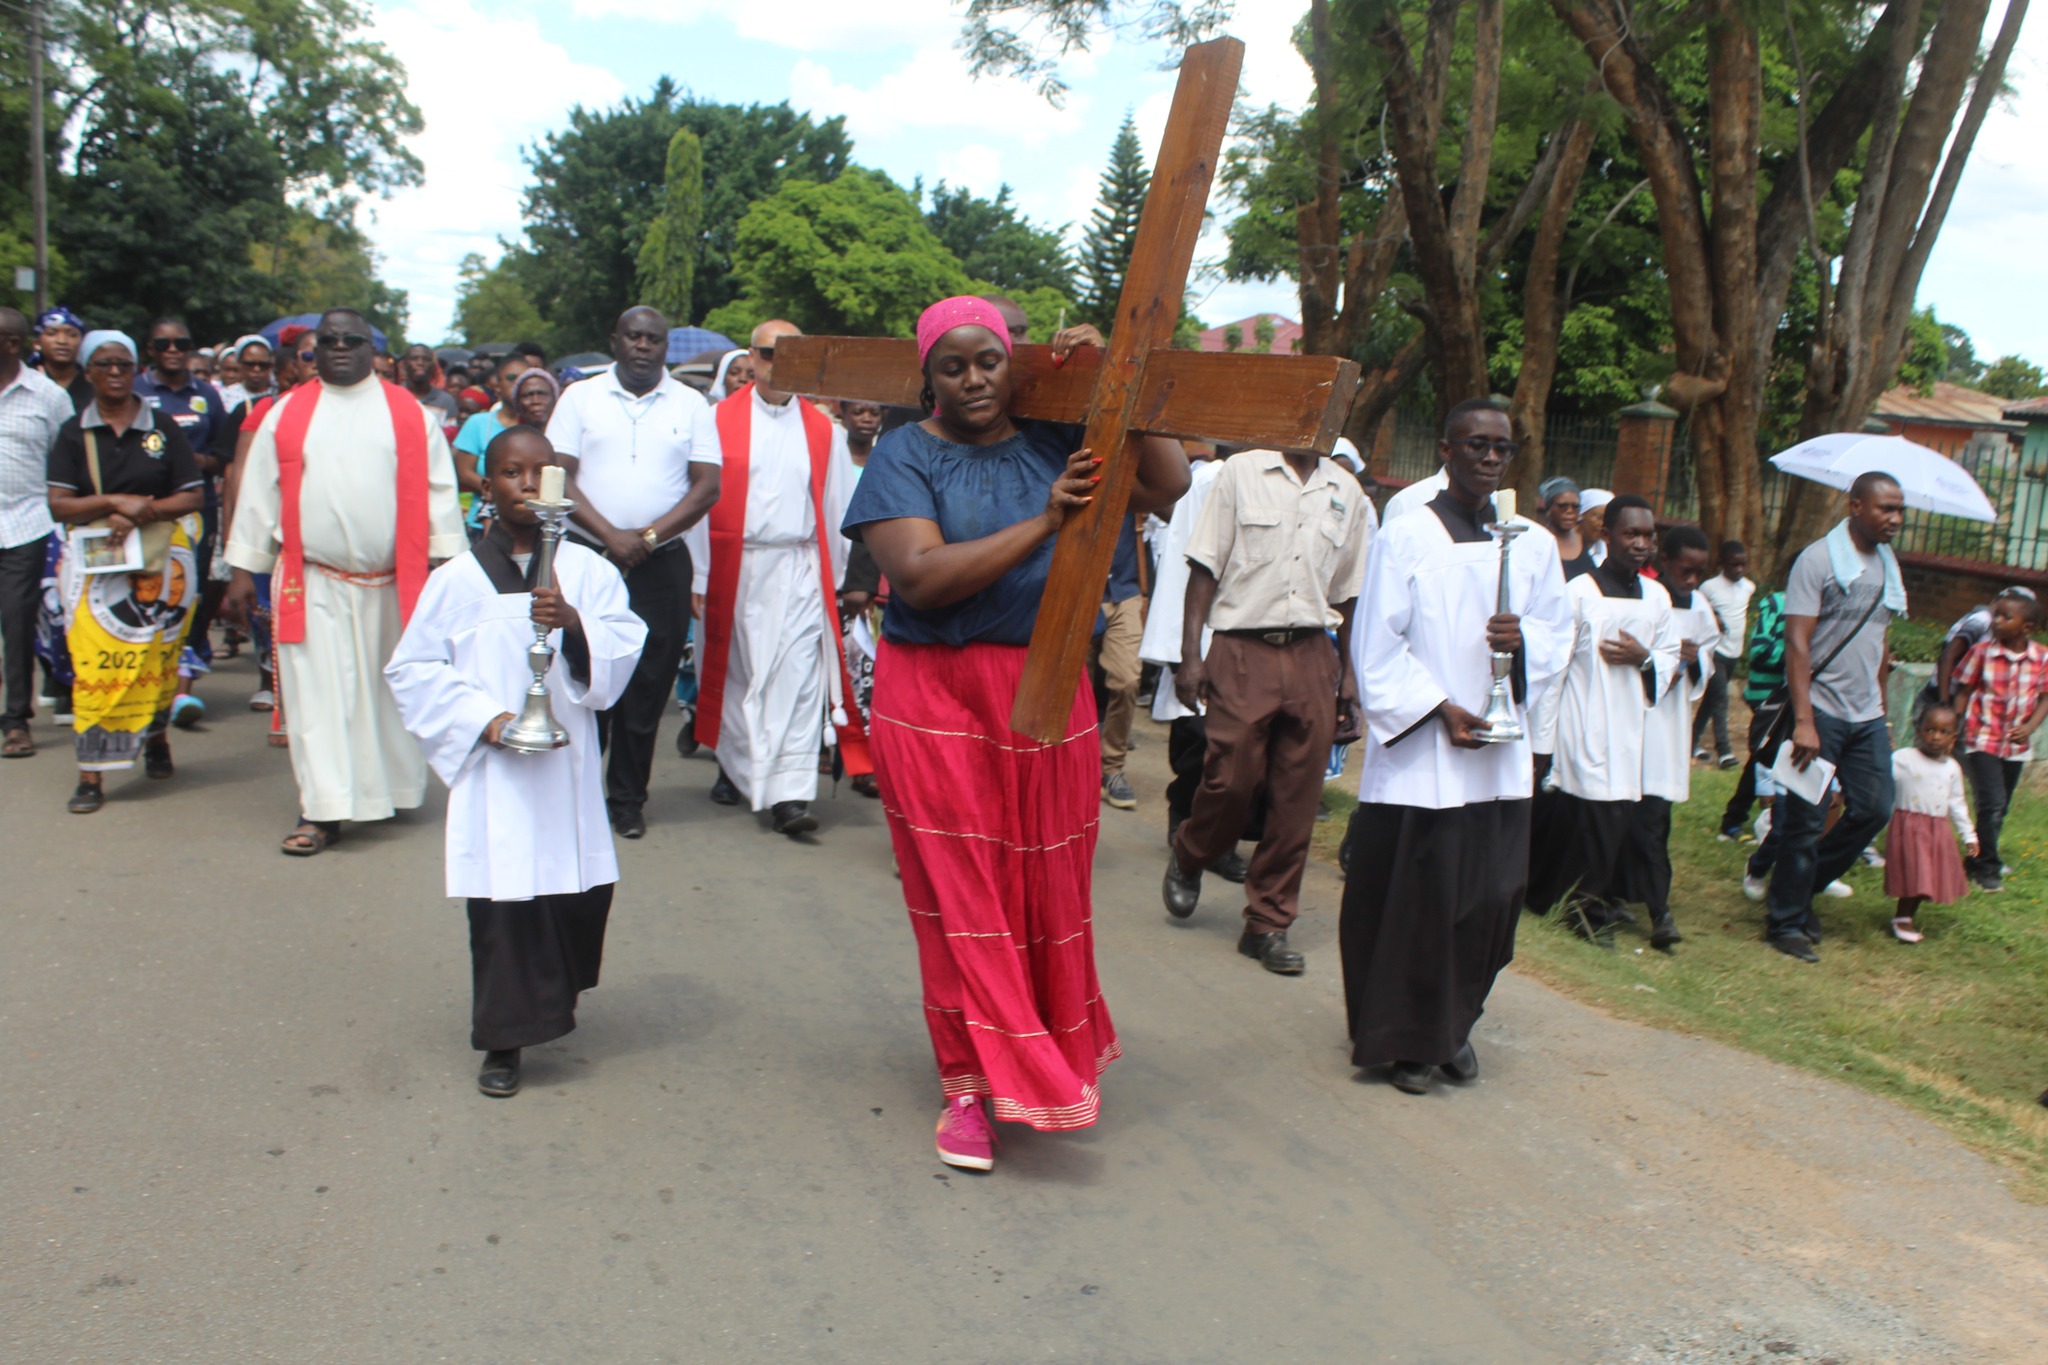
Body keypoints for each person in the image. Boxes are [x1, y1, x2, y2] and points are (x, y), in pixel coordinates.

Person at [843, 295, 1190, 1170]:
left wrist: (1116, 372)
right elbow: (919, 578)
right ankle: (968, 1087)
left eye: (987, 361)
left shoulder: (1048, 438)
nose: (971, 380)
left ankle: (1050, 1057)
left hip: (1045, 688)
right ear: (927, 375)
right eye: (952, 366)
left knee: (1046, 886)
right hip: (934, 700)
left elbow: (1167, 484)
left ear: (1012, 363)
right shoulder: (902, 454)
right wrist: (1045, 516)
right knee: (963, 898)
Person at [385, 427, 648, 1098]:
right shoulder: (458, 580)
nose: (528, 484)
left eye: (542, 472)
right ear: (487, 484)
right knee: (503, 901)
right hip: (496, 770)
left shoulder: (587, 571)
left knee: (574, 892)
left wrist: (578, 626)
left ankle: (554, 995)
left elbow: (623, 644)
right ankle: (503, 1037)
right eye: (511, 471)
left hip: (566, 767)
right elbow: (412, 668)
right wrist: (486, 720)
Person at [1341, 399, 1572, 1093]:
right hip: (1425, 757)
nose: (1490, 458)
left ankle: (1454, 1025)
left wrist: (1522, 642)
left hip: (1499, 756)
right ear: (1447, 449)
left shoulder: (1529, 542)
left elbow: (1559, 633)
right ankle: (1408, 1039)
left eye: (1502, 448)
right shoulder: (1407, 534)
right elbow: (1375, 642)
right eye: (1476, 444)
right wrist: (1439, 708)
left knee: (1489, 899)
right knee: (1421, 900)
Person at [224, 307, 466, 854]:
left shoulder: (409, 415)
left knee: (387, 695)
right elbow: (258, 492)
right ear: (310, 352)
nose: (338, 349)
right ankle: (322, 809)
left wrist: (448, 568)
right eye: (326, 342)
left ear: (373, 350)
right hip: (314, 581)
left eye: (350, 340)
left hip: (392, 581)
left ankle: (393, 790)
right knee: (318, 697)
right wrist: (242, 571)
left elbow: (438, 495)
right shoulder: (286, 413)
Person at [1161, 430, 1375, 975]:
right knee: (1232, 779)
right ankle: (1192, 851)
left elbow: (1347, 594)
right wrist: (1191, 656)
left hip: (1312, 653)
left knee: (1296, 798)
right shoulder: (1243, 471)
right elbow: (1204, 567)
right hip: (1241, 648)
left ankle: (1267, 924)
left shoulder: (1348, 492)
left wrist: (1349, 674)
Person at [545, 305, 722, 839]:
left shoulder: (692, 404)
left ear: (665, 348)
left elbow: (707, 487)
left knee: (648, 685)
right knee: (586, 674)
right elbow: (557, 475)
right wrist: (609, 535)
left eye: (653, 340)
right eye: (634, 337)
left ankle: (627, 800)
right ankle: (575, 793)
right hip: (589, 560)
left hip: (661, 563)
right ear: (615, 340)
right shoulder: (580, 398)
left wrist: (645, 538)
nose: (643, 347)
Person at [690, 318, 867, 835]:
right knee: (743, 679)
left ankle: (789, 795)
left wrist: (835, 579)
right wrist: (699, 576)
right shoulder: (716, 420)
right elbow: (699, 505)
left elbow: (837, 509)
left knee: (797, 681)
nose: (778, 366)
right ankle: (742, 771)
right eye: (769, 354)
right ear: (753, 356)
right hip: (735, 568)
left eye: (792, 356)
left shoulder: (825, 431)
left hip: (799, 569)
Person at [1747, 471, 1906, 963]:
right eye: (1886, 509)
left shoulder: (1887, 565)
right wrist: (1804, 720)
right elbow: (1798, 642)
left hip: (1866, 717)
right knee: (1803, 821)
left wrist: (1881, 708)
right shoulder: (1818, 560)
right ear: (1855, 506)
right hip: (1818, 712)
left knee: (1875, 808)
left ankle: (1802, 888)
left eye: (1900, 510)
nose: (1895, 519)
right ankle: (1785, 923)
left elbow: (1881, 643)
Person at [44, 331, 205, 811]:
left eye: (124, 364)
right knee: (95, 665)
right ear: (88, 372)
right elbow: (59, 504)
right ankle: (91, 776)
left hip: (163, 563)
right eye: (104, 364)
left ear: (137, 370)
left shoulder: (164, 428)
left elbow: (193, 495)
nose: (115, 372)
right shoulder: (75, 432)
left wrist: (144, 511)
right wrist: (114, 502)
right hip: (97, 566)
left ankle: (156, 740)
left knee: (156, 662)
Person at [1528, 494, 1680, 945]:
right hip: (1584, 716)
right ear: (1606, 534)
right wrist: (1544, 740)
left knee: (1615, 815)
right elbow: (1554, 668)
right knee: (1592, 815)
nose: (1641, 544)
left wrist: (1645, 657)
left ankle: (1585, 899)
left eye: (1648, 536)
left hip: (1631, 721)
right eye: (1631, 534)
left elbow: (1668, 657)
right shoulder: (1579, 592)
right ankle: (1583, 909)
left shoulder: (1657, 596)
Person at [1137, 446, 1254, 881]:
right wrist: (1180, 652)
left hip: (1249, 633)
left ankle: (1216, 838)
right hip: (1202, 632)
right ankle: (1186, 818)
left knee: (1240, 752)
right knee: (1202, 745)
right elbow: (1183, 564)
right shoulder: (1210, 481)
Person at [1612, 524, 1715, 950]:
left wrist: (1694, 660)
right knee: (1621, 815)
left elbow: (1707, 657)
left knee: (1654, 821)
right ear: (1664, 562)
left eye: (1698, 574)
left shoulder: (1701, 606)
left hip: (1666, 727)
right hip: (1631, 717)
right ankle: (1616, 895)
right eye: (1684, 571)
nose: (1690, 581)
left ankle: (1659, 910)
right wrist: (1653, 658)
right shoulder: (1645, 597)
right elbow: (1624, 650)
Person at [134, 317, 235, 725]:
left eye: (182, 343)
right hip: (146, 514)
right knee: (147, 596)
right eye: (163, 344)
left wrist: (192, 462)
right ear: (150, 350)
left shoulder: (207, 395)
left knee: (188, 597)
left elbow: (222, 456)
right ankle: (142, 687)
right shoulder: (137, 391)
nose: (173, 350)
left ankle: (181, 691)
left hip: (196, 511)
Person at [0, 308, 84, 758]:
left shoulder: (47, 397)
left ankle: (15, 720)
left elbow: (66, 461)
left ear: (12, 344)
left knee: (15, 621)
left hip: (24, 525)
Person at [1949, 589, 2048, 892]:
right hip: (1983, 739)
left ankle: (1975, 858)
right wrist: (1955, 723)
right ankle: (1988, 869)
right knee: (1991, 803)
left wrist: (2030, 726)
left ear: (2026, 627)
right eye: (1997, 614)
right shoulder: (1981, 653)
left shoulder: (2042, 657)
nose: (1996, 621)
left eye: (2006, 617)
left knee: (1999, 807)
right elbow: (1963, 690)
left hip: (2016, 746)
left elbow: (2045, 698)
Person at [1883, 704, 1975, 943]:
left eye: (1944, 732)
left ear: (1953, 738)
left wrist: (1969, 835)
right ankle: (1902, 918)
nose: (1936, 737)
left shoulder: (1952, 768)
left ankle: (1907, 916)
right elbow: (1881, 784)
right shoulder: (1903, 759)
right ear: (1919, 730)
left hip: (1937, 830)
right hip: (1908, 827)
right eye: (1930, 729)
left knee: (1927, 877)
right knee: (1916, 874)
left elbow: (1957, 803)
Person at [1718, 587, 1788, 841]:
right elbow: (1760, 648)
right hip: (1768, 694)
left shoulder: (1817, 606)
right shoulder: (1776, 603)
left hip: (1793, 694)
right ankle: (1733, 820)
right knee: (1764, 753)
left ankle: (1764, 818)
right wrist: (1797, 657)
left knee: (1774, 754)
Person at [1094, 518, 1147, 811]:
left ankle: (1112, 768)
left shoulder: (1137, 476)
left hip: (1124, 592)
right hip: (1077, 588)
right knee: (1071, 688)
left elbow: (1170, 506)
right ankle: (1068, 761)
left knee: (1127, 680)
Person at [452, 353, 533, 532]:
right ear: (497, 384)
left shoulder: (537, 426)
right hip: (482, 525)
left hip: (528, 525)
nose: (518, 384)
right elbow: (464, 472)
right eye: (511, 378)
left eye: (524, 379)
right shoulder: (478, 423)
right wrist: (505, 492)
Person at [1693, 539, 1755, 768]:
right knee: (1721, 698)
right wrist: (1714, 617)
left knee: (1710, 701)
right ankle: (1724, 751)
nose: (1738, 570)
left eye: (1742, 565)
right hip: (1715, 652)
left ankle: (1691, 742)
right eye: (1733, 565)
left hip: (1734, 653)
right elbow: (1698, 610)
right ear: (1722, 564)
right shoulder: (1709, 587)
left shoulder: (1748, 587)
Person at [1930, 588, 2038, 711]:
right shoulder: (1982, 620)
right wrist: (1943, 702)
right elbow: (1948, 655)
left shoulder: (2008, 640)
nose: (1998, 619)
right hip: (1943, 693)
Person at [33, 306, 92, 412]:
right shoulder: (24, 380)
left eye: (72, 334)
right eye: (52, 333)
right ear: (37, 343)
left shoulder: (93, 381)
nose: (62, 341)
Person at [1538, 476, 1595, 578]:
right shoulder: (1540, 541)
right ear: (1548, 508)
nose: (1569, 511)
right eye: (1562, 506)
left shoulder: (1586, 539)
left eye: (1575, 506)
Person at [400, 344, 461, 435]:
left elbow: (449, 438)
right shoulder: (392, 397)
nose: (420, 363)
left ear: (433, 366)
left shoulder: (446, 401)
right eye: (414, 359)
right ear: (404, 365)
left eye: (426, 359)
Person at [217, 336, 274, 412]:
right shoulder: (224, 397)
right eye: (250, 364)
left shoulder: (279, 394)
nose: (257, 369)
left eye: (263, 365)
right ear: (239, 364)